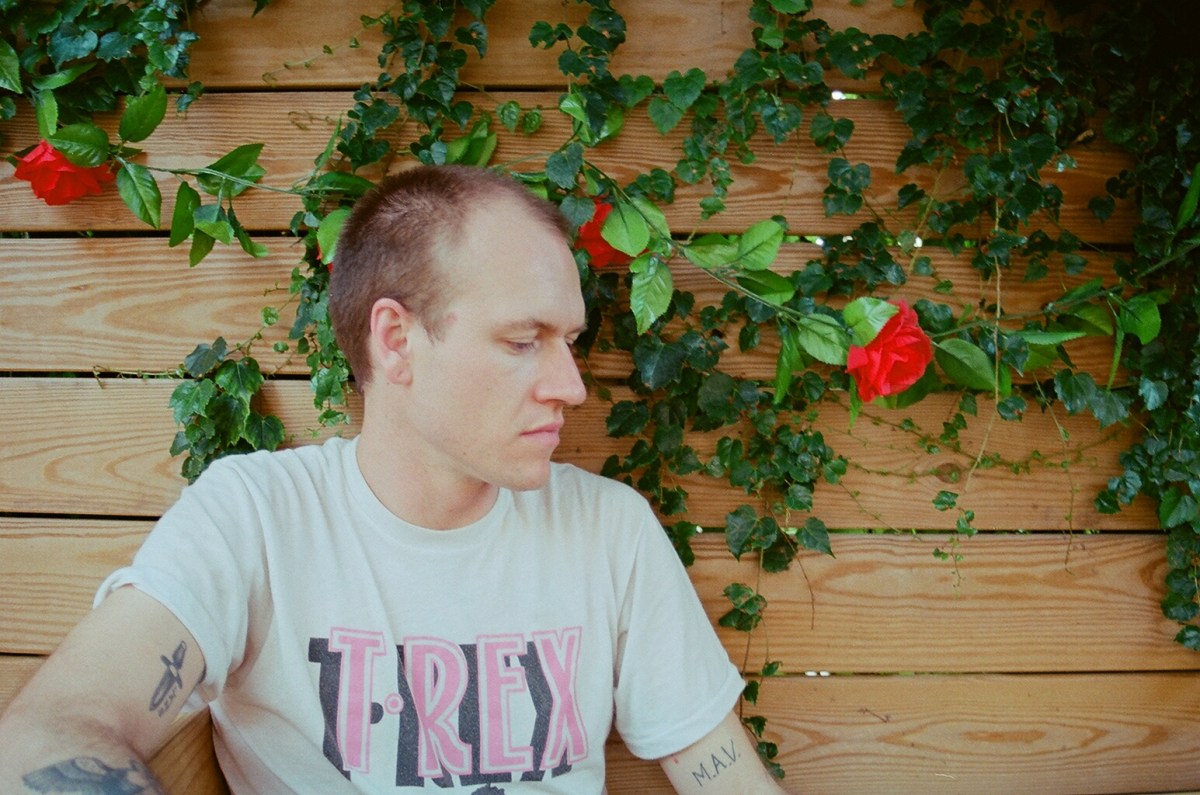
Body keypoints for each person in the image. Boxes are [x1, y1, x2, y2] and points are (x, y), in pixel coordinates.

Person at [0, 165, 789, 794]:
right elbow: (49, 731)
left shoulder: (608, 529)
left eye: (570, 341)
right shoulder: (258, 520)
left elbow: (723, 773)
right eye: (524, 340)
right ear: (397, 340)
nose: (572, 386)